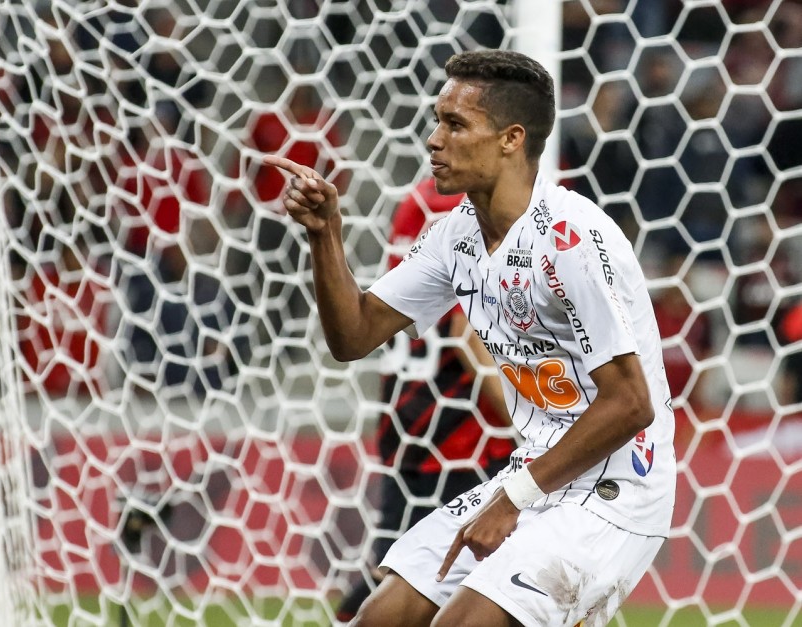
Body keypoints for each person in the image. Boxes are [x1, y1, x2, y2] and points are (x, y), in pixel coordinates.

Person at [264, 49, 675, 626]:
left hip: (615, 490)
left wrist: (513, 500)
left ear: (511, 139)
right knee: (380, 617)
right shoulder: (454, 237)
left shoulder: (571, 239)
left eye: (455, 125)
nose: (434, 139)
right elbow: (354, 335)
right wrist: (324, 235)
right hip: (536, 473)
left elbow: (632, 404)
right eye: (437, 120)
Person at [335, 179, 515, 622]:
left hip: (407, 423)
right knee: (477, 592)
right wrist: (527, 421)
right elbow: (466, 333)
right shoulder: (464, 206)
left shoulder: (414, 199)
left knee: (392, 582)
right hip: (462, 438)